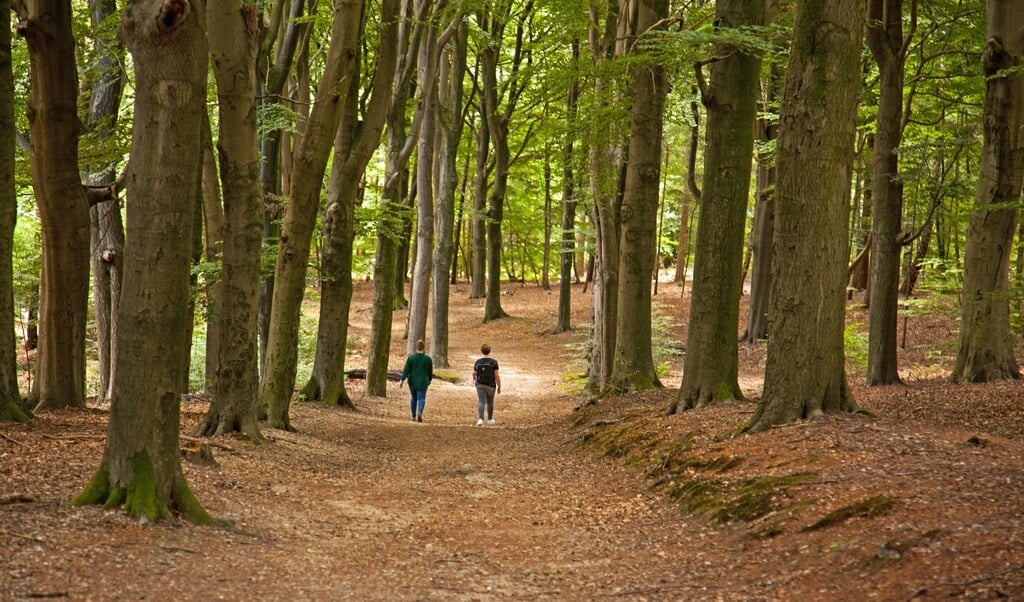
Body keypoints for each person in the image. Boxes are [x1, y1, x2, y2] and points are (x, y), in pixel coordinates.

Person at [400, 339, 434, 422]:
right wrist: (429, 379)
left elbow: (406, 370)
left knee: (413, 398)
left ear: (416, 348)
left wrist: (402, 380)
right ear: (424, 348)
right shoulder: (428, 359)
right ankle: (420, 411)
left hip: (412, 382)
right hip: (423, 382)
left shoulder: (411, 358)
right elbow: (430, 371)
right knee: (421, 398)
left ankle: (413, 416)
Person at [472, 343, 501, 426]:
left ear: (482, 351)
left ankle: (480, 419)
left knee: (481, 402)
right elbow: (497, 376)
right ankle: (490, 419)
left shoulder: (478, 362)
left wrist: (474, 380)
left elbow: (474, 373)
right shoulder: (494, 362)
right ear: (489, 351)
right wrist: (499, 386)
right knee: (490, 402)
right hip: (491, 385)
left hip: (480, 385)